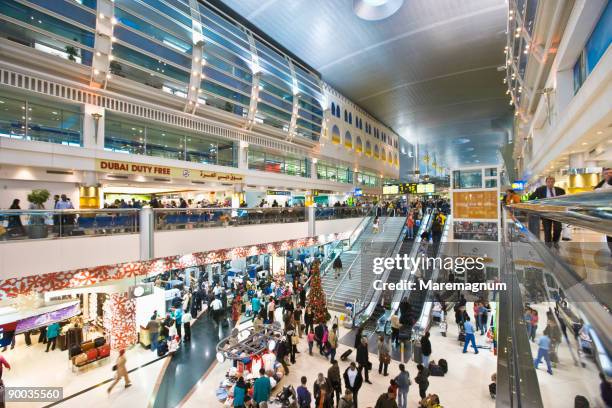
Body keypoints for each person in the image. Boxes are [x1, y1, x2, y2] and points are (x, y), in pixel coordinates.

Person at [529, 176, 565, 247]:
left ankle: (555, 242)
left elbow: (564, 200)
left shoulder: (560, 190)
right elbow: (531, 198)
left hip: (556, 213)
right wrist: (536, 205)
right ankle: (548, 245)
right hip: (545, 213)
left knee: (558, 228)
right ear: (546, 182)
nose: (550, 183)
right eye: (548, 182)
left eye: (552, 182)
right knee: (547, 230)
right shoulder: (540, 190)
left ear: (554, 182)